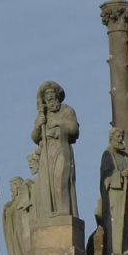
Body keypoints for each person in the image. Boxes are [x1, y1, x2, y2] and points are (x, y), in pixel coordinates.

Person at [30, 81, 79, 217]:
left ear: (57, 95)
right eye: (47, 94)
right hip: (46, 151)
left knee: (60, 178)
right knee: (46, 182)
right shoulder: (43, 114)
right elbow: (34, 137)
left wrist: (58, 126)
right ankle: (48, 212)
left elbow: (74, 129)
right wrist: (38, 126)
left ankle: (63, 211)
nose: (50, 96)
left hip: (61, 148)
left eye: (52, 93)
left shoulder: (67, 110)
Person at [95, 126, 128, 255]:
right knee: (116, 223)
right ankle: (116, 251)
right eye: (118, 136)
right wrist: (121, 175)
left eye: (122, 136)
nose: (121, 139)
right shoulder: (107, 154)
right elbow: (105, 178)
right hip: (115, 198)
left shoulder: (127, 157)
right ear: (112, 138)